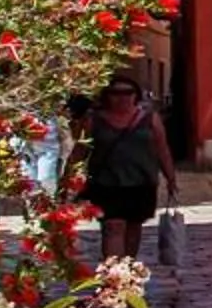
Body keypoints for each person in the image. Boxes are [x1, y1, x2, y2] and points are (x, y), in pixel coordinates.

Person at [72, 77, 175, 265]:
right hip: (106, 183)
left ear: (136, 95)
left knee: (134, 228)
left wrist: (171, 177)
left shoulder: (150, 119)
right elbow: (79, 151)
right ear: (107, 96)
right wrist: (68, 178)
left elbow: (162, 149)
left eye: (128, 93)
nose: (123, 97)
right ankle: (113, 273)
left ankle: (128, 269)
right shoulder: (93, 120)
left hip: (142, 183)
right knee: (113, 227)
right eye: (116, 93)